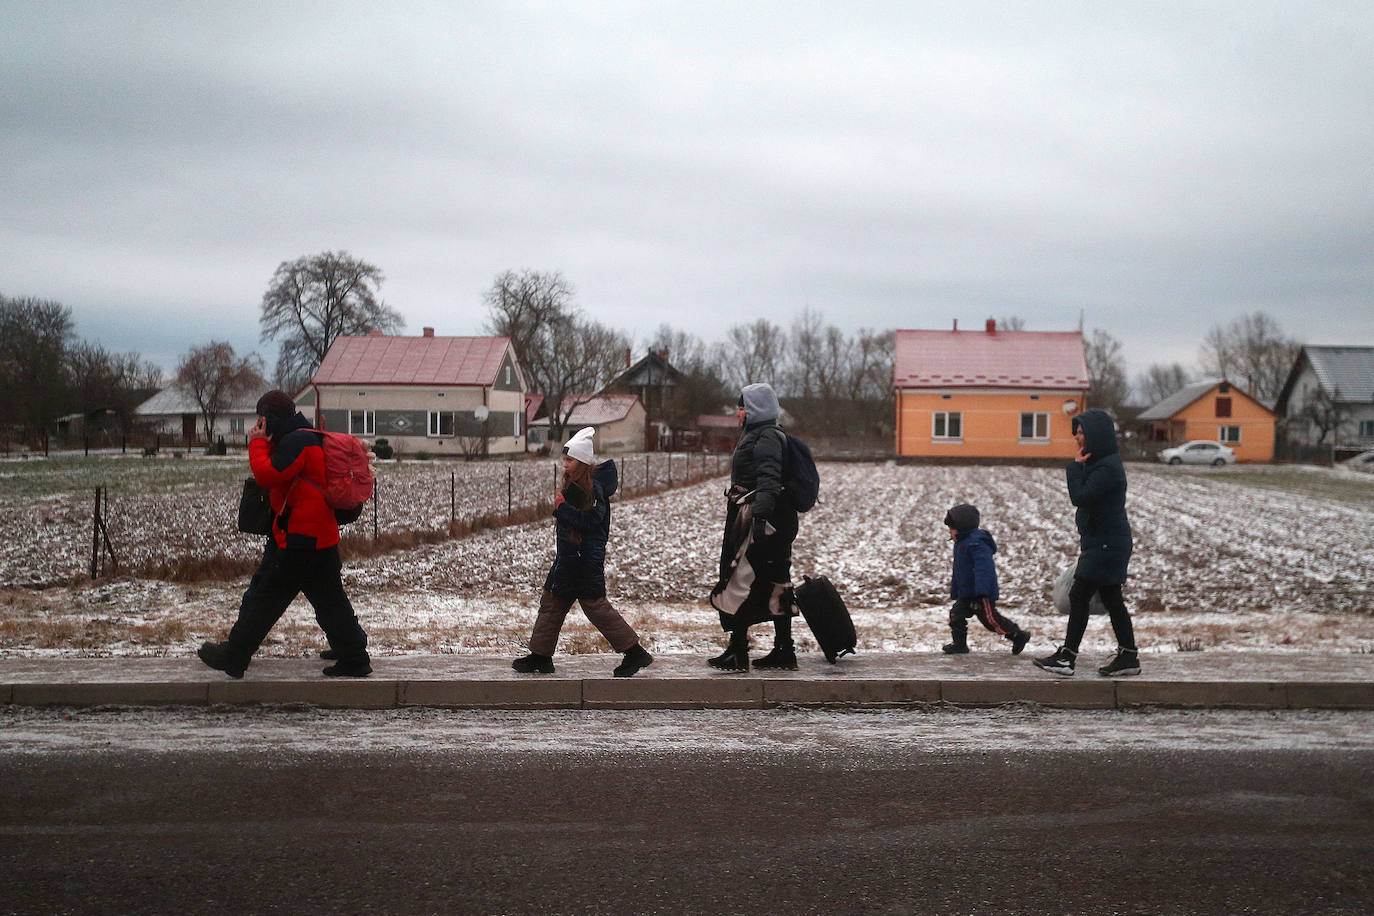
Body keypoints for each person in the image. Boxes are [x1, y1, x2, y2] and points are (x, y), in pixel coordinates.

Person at [198, 390, 371, 679]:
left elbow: (268, 476)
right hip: (318, 536)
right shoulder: (305, 436)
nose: (260, 424)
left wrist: (256, 443)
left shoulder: (296, 442)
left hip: (300, 540)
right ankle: (354, 655)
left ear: (272, 417)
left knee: (267, 598)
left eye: (262, 419)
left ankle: (235, 655)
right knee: (329, 600)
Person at [512, 427, 653, 678]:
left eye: (569, 460)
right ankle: (540, 657)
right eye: (564, 459)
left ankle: (635, 653)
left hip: (583, 561)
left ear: (583, 462)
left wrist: (562, 508)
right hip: (569, 559)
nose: (564, 464)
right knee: (551, 603)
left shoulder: (593, 490)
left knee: (596, 608)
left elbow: (591, 522)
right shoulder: (578, 485)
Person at [1034, 408, 1141, 677]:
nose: (1077, 438)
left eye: (1081, 432)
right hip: (1104, 542)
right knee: (1111, 598)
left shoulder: (1107, 468)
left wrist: (1075, 466)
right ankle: (1128, 656)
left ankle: (1068, 657)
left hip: (1106, 544)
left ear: (1096, 435)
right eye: (1077, 432)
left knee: (1080, 594)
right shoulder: (1103, 463)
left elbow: (1080, 496)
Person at [708, 383, 799, 671]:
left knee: (745, 579)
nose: (738, 413)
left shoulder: (767, 437)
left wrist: (759, 520)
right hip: (763, 518)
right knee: (762, 580)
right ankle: (773, 649)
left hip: (763, 521)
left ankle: (748, 651)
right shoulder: (760, 434)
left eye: (743, 407)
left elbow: (770, 480)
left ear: (754, 409)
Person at [941, 503, 1030, 655]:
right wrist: (957, 589)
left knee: (991, 621)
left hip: (980, 592)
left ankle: (1017, 635)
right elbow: (960, 571)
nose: (950, 532)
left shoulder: (977, 543)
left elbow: (984, 569)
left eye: (952, 529)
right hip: (967, 592)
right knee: (956, 614)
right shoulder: (961, 543)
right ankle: (959, 644)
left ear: (962, 527)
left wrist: (982, 591)